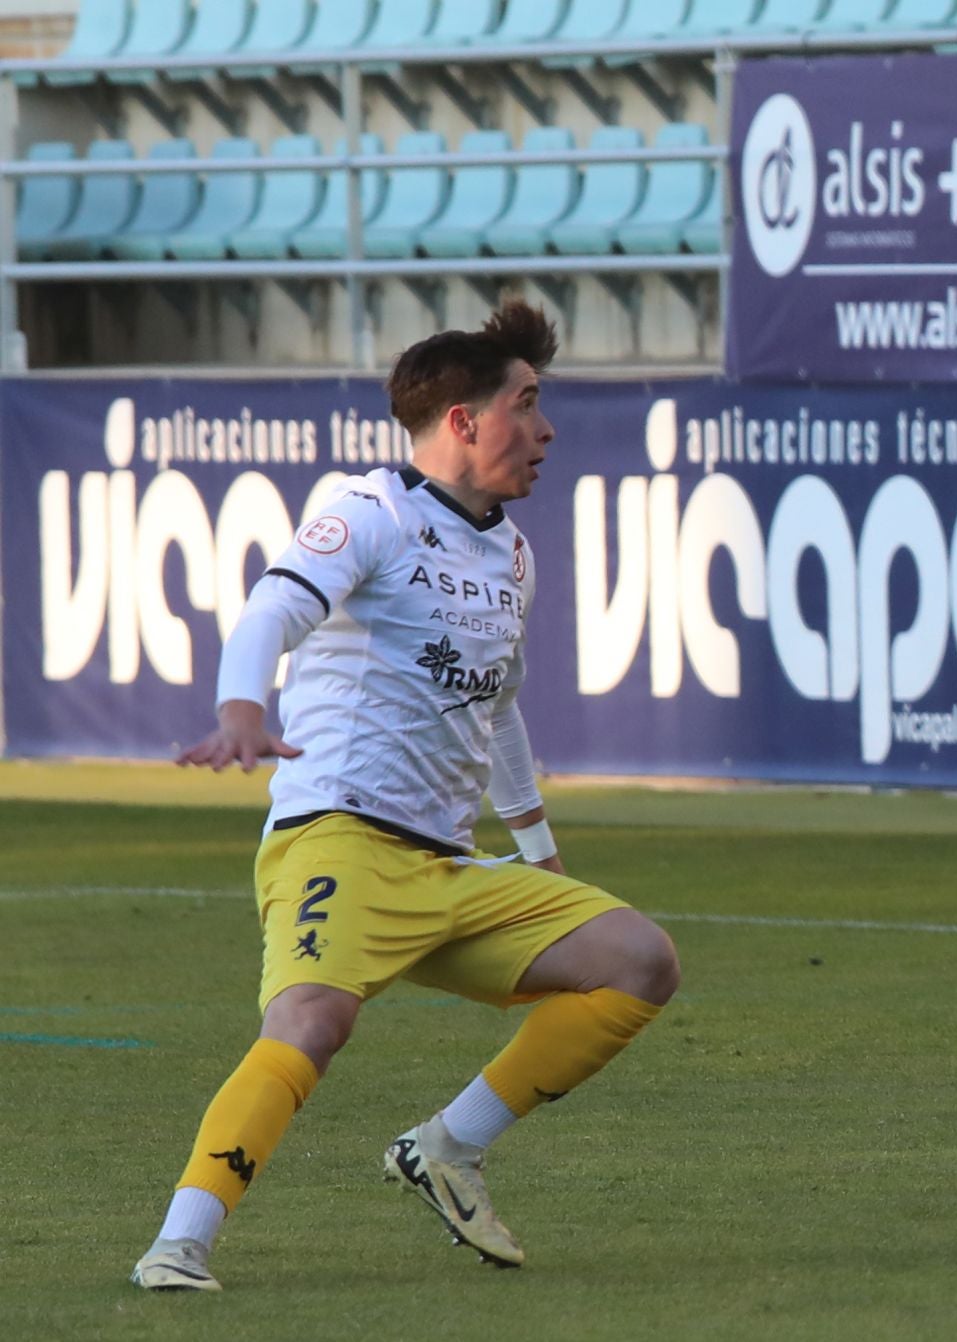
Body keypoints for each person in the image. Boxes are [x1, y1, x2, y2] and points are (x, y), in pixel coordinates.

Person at [131, 302, 682, 1291]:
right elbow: (273, 604)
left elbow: (498, 708)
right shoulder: (370, 511)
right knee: (311, 1021)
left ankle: (448, 1146)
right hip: (339, 835)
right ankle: (180, 1242)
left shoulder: (510, 551)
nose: (547, 428)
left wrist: (538, 843)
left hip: (447, 862)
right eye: (528, 403)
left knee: (640, 958)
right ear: (466, 421)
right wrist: (242, 708)